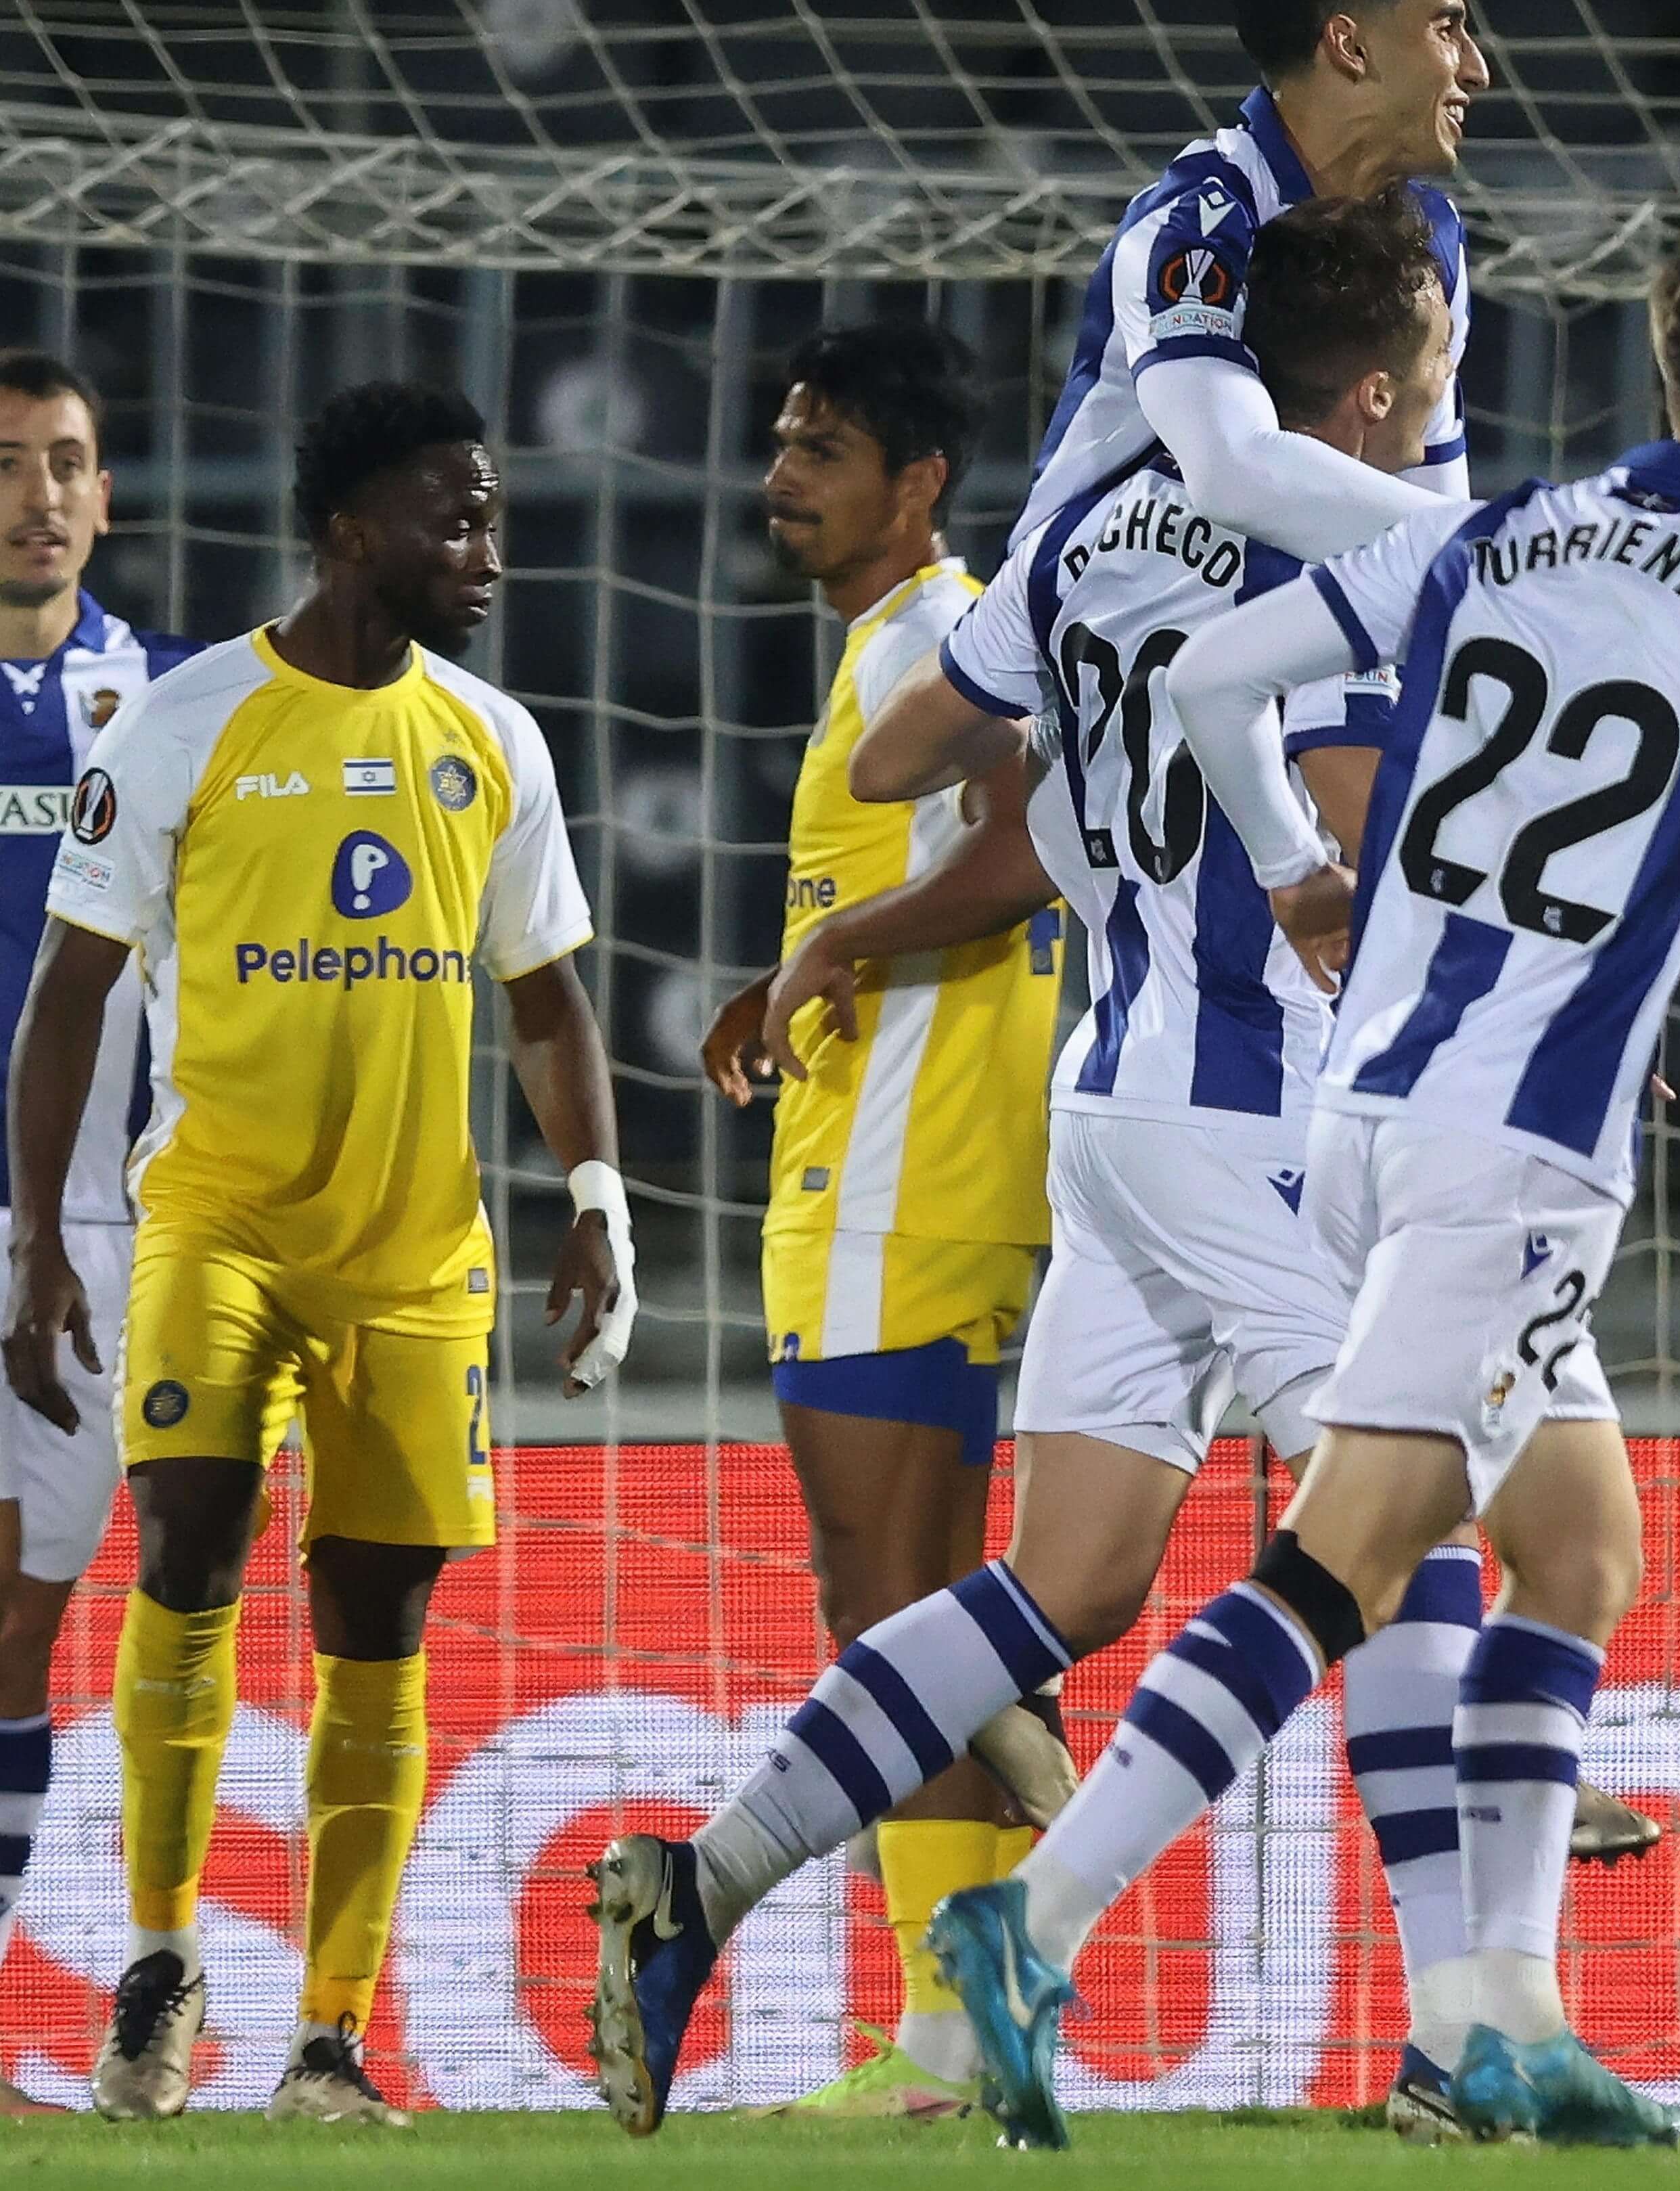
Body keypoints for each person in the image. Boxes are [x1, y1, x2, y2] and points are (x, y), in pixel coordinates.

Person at [588, 190, 1640, 2145]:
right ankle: (1457, 2033)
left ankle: (699, 1875)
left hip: (1114, 1096)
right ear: (1386, 383)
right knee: (1388, 1520)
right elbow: (1342, 823)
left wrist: (1021, 753)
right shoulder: (1328, 537)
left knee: (1067, 1576)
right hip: (1249, 1105)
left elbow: (924, 761)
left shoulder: (1091, 523)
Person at [907, 219, 1680, 2153]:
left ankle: (1508, 2014)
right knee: (1344, 1560)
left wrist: (1304, 860)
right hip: (1517, 1155)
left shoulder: (1494, 531)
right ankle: (1027, 1921)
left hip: (1364, 1113)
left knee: (1582, 1547)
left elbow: (1222, 672)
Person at [1, 382, 631, 2126]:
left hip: (419, 1253)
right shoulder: (185, 723)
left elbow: (549, 995)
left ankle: (332, 2037)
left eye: (491, 514)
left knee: (378, 1620)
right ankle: (160, 1960)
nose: (487, 551)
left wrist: (597, 1195)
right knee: (188, 1541)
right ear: (352, 535)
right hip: (216, 1220)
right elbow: (68, 1001)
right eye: (458, 518)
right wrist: (46, 1237)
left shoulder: (495, 740)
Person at [689, 320, 1062, 2119]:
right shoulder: (898, 641)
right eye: (780, 440)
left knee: (893, 1608)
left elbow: (1031, 845)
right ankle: (972, 2018)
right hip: (885, 1167)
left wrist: (835, 945)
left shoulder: (938, 637)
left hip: (913, 1179)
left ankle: (951, 2035)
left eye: (819, 445)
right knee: (904, 1614)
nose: (783, 475)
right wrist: (797, 969)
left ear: (914, 486)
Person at [0, 353, 197, 2114]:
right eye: (6, 465)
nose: (38, 496)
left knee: (22, 1621)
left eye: (67, 463)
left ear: (109, 494)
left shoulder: (166, 704)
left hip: (81, 1220)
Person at [1014, 0, 1482, 564]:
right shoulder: (1199, 222)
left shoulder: (1432, 239)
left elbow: (1432, 498)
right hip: (1079, 625)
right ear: (1350, 45)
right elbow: (1235, 477)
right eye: (1446, 28)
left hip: (1275, 625)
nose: (1477, 68)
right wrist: (1499, 549)